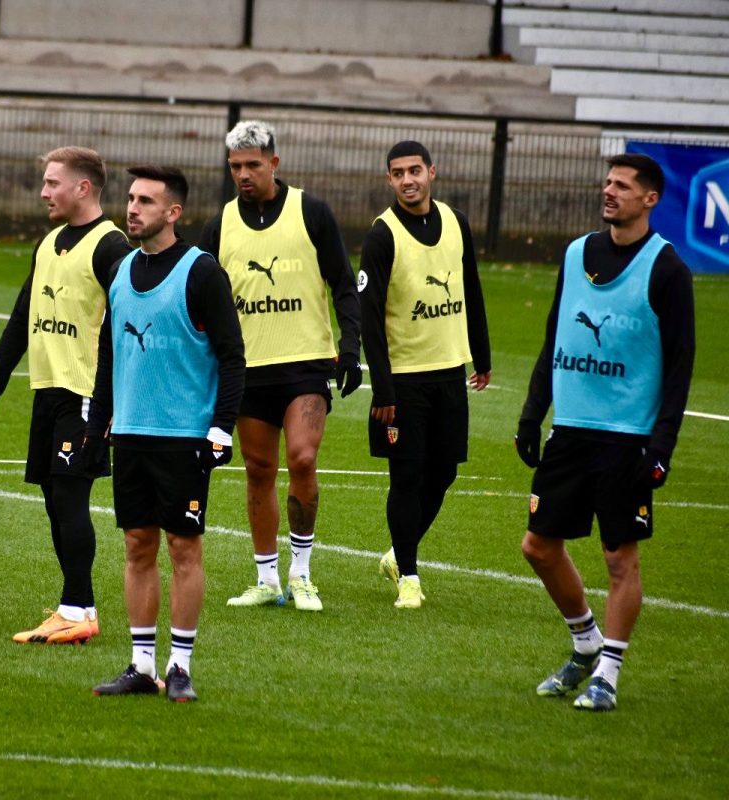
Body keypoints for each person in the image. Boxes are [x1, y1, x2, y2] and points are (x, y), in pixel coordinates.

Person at [517, 153, 695, 712]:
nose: (609, 191)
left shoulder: (667, 269)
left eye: (622, 185)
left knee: (620, 559)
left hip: (627, 439)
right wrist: (531, 412)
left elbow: (679, 367)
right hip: (569, 431)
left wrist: (661, 446)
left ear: (650, 199)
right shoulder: (575, 254)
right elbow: (554, 336)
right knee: (538, 547)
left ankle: (608, 673)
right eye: (607, 182)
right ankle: (585, 641)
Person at [88, 165, 245, 702]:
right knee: (136, 545)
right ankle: (140, 664)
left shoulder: (201, 272)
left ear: (173, 212)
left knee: (183, 547)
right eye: (130, 199)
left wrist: (221, 429)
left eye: (146, 201)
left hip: (184, 438)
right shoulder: (120, 269)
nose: (132, 208)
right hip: (130, 432)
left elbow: (232, 356)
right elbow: (109, 351)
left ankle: (179, 665)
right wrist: (99, 415)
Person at [0, 147, 132, 644]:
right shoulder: (49, 243)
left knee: (69, 497)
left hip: (86, 393)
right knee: (52, 499)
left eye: (52, 184)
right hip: (48, 390)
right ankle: (75, 604)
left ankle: (78, 609)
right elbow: (22, 316)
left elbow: (129, 325)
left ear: (82, 188)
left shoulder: (111, 246)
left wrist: (113, 401)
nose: (44, 193)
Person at [199, 120, 361, 613]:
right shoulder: (221, 224)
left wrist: (350, 347)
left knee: (304, 459)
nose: (244, 175)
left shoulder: (311, 212)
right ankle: (267, 578)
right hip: (247, 371)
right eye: (235, 167)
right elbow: (199, 294)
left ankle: (303, 574)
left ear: (274, 162)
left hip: (306, 365)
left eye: (252, 165)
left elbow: (343, 282)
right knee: (259, 470)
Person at [359, 140, 491, 609]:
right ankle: (409, 578)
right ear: (389, 180)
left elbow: (470, 288)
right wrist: (384, 387)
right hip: (405, 381)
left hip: (450, 371)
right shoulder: (382, 234)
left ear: (432, 172)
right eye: (398, 173)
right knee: (408, 476)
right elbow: (369, 315)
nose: (408, 179)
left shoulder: (457, 223)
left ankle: (398, 553)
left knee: (445, 471)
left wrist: (483, 355)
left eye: (415, 170)